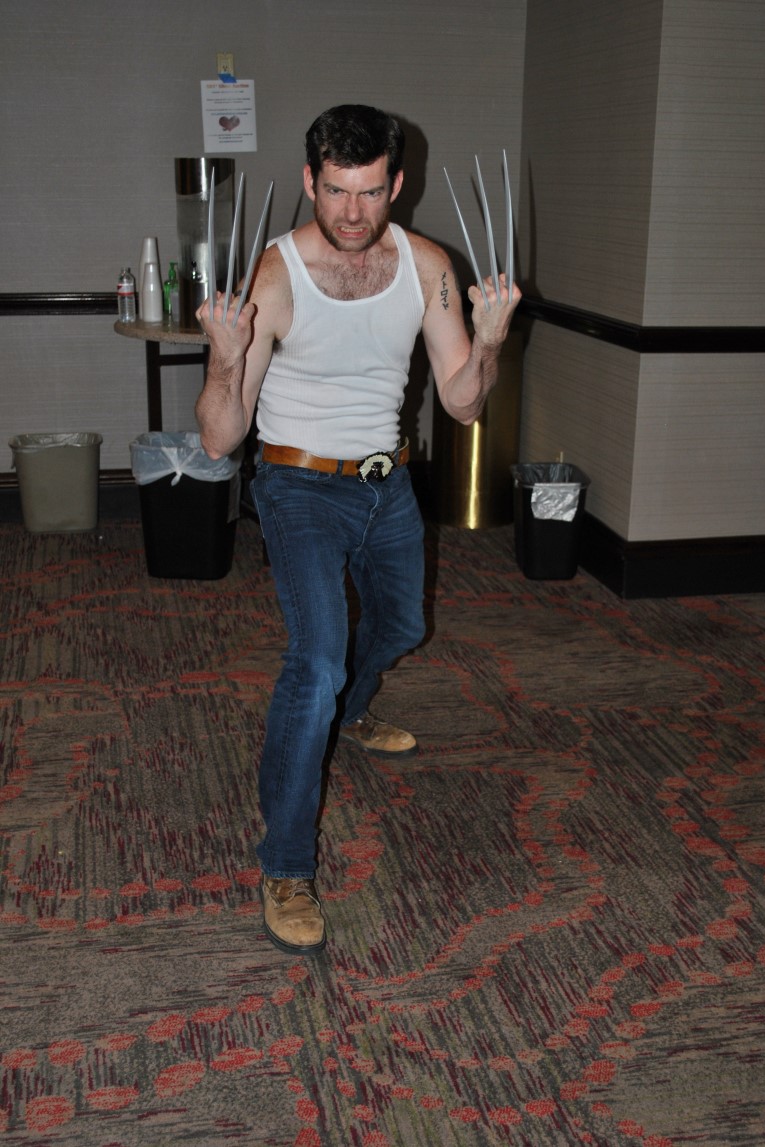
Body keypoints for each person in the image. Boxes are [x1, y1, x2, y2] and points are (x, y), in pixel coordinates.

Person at [195, 104, 521, 956]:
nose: (351, 211)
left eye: (370, 192)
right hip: (298, 483)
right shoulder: (276, 275)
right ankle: (286, 864)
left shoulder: (427, 267)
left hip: (387, 483)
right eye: (336, 191)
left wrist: (489, 344)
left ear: (396, 184)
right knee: (317, 661)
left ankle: (351, 710)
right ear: (311, 181)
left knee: (404, 625)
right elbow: (220, 438)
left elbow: (462, 402)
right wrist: (225, 357)